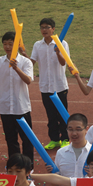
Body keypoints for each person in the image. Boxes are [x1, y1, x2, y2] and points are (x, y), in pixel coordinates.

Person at [0, 31, 34, 163]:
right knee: (11, 139)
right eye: (5, 44)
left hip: (21, 107)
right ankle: (15, 164)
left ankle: (28, 164)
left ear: (16, 45)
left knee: (27, 138)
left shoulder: (25, 62)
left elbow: (28, 80)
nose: (7, 47)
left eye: (10, 44)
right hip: (5, 107)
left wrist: (16, 68)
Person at [23, 17, 70, 149]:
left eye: (47, 27)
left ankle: (65, 138)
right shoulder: (38, 45)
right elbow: (31, 63)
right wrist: (24, 55)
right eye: (42, 27)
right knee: (50, 115)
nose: (44, 30)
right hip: (45, 86)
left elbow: (63, 63)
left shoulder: (62, 43)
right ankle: (54, 139)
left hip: (59, 85)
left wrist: (58, 53)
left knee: (62, 113)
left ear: (53, 29)